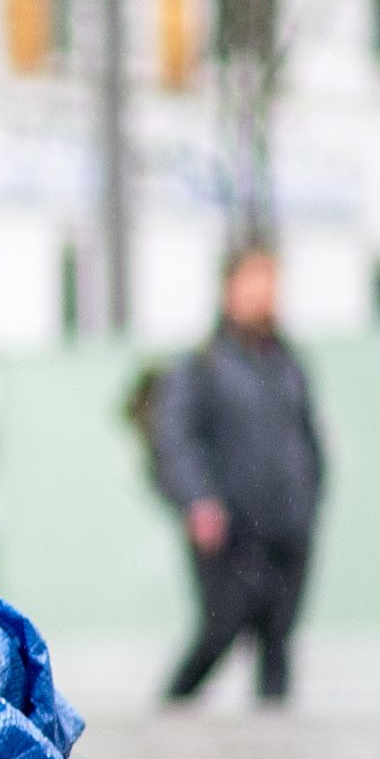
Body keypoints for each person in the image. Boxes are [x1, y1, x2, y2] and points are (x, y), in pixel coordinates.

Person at [148, 243, 322, 705]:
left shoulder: (288, 364)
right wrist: (198, 501)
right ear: (230, 290)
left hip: (289, 531)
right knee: (219, 633)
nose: (265, 296)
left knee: (279, 644)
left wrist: (311, 502)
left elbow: (306, 438)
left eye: (271, 284)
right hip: (230, 535)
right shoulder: (202, 365)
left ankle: (277, 748)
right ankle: (168, 712)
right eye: (254, 284)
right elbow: (177, 440)